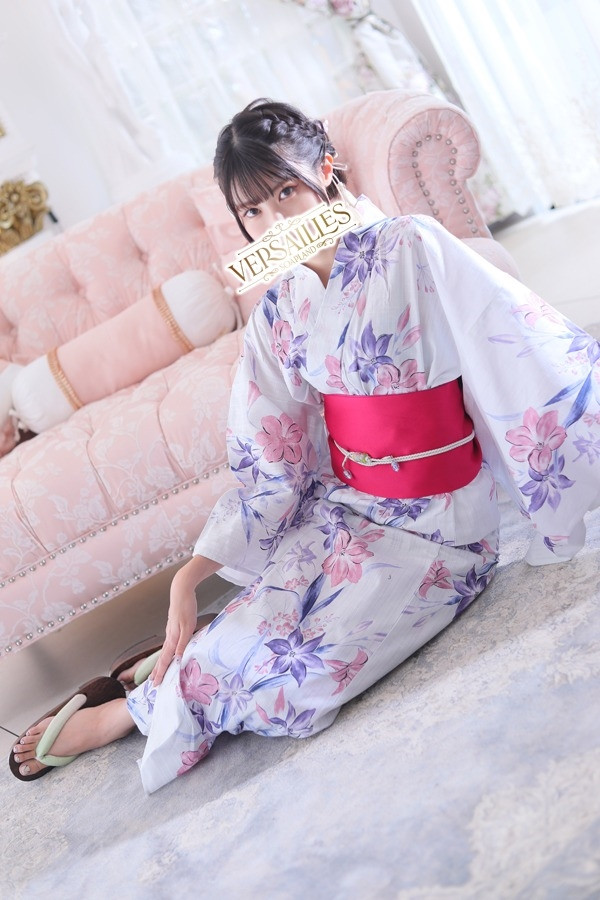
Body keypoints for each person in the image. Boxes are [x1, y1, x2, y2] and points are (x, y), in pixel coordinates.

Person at [11, 99, 600, 793]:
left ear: (326, 168)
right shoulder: (280, 308)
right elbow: (270, 459)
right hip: (349, 512)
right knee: (270, 626)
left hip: (443, 526)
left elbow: (514, 344)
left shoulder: (410, 246)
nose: (275, 221)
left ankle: (134, 708)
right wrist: (186, 579)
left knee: (306, 679)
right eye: (253, 211)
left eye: (286, 191)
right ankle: (187, 656)